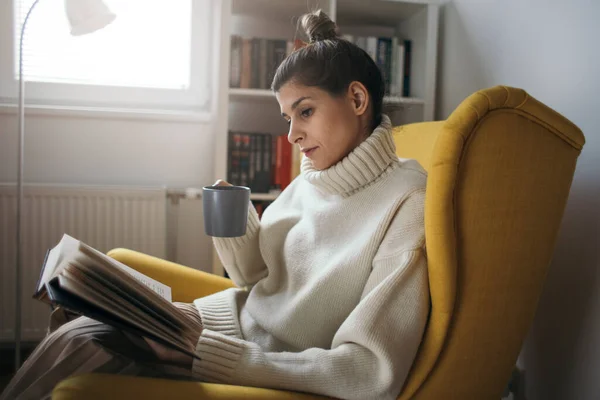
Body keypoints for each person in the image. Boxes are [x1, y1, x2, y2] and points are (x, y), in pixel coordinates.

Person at [1, 10, 429, 400]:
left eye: (305, 112)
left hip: (242, 356)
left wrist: (215, 357)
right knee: (79, 328)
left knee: (78, 344)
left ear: (357, 100)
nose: (292, 135)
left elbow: (371, 371)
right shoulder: (314, 176)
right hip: (219, 326)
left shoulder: (405, 204)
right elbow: (255, 278)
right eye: (287, 119)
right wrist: (237, 221)